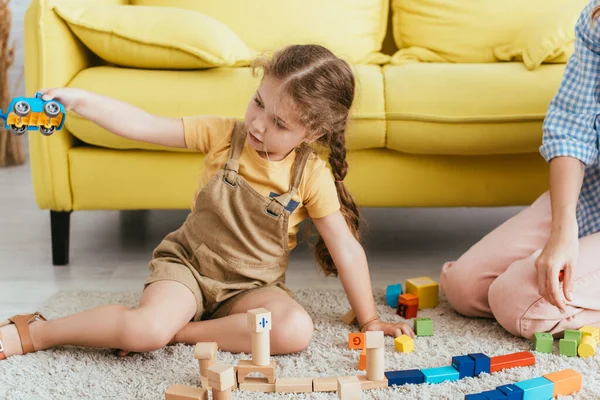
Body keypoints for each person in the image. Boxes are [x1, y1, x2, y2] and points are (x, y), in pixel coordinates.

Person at [0, 44, 414, 361]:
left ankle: (179, 333)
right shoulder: (222, 135)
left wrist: (370, 319)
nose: (257, 123)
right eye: (258, 102)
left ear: (311, 132)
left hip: (252, 290)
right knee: (144, 331)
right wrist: (79, 102)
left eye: (279, 123)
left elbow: (346, 251)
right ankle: (35, 331)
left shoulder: (311, 175)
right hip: (188, 270)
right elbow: (144, 125)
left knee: (294, 329)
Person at [440, 0, 600, 339]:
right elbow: (572, 124)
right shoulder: (597, 18)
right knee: (464, 286)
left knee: (517, 304)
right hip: (595, 194)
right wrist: (563, 228)